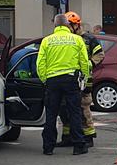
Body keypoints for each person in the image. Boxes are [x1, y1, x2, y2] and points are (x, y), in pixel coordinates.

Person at [37, 14, 91, 155]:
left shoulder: (47, 41)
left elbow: (40, 64)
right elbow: (84, 62)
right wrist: (84, 79)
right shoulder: (77, 40)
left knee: (51, 114)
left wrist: (45, 80)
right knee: (75, 113)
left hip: (52, 81)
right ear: (68, 25)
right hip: (71, 80)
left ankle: (48, 147)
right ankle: (78, 146)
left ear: (55, 26)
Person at [57, 12, 104, 148]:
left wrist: (88, 64)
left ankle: (88, 136)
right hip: (69, 79)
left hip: (84, 80)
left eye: (69, 25)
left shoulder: (88, 39)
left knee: (83, 109)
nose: (67, 27)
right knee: (65, 109)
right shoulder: (67, 39)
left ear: (76, 25)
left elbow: (100, 54)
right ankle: (67, 137)